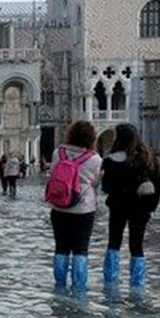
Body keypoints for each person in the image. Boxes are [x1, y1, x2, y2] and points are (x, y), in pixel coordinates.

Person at [101, 124, 160, 287]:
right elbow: (158, 185)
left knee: (114, 242)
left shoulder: (111, 160)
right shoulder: (148, 157)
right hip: (141, 208)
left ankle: (110, 281)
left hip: (117, 207)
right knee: (137, 245)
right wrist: (151, 207)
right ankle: (137, 284)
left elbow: (106, 186)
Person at [45, 120, 102, 290]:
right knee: (81, 249)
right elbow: (96, 181)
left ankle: (59, 284)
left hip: (59, 206)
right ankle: (79, 286)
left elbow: (52, 173)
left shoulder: (58, 152)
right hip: (84, 208)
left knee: (61, 247)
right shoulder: (95, 158)